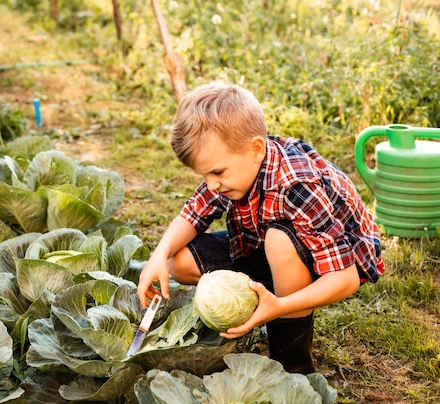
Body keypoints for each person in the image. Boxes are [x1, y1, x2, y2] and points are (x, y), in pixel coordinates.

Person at [136, 82, 384, 374]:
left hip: (336, 261)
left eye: (216, 172)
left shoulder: (298, 185)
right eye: (204, 174)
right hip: (270, 242)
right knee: (177, 261)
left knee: (279, 241)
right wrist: (158, 255)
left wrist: (280, 306)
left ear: (256, 149)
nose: (212, 183)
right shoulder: (235, 165)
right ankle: (274, 293)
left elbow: (345, 279)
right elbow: (194, 213)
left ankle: (293, 364)